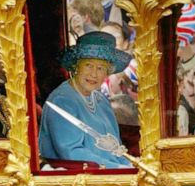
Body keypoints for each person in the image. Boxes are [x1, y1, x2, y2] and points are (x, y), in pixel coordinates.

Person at [39, 31, 132, 169]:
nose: (93, 74)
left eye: (100, 68)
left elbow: (116, 149)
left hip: (110, 176)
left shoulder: (101, 100)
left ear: (107, 73)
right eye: (88, 65)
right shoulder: (62, 100)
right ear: (76, 66)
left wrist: (130, 165)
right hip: (78, 181)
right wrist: (118, 169)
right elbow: (71, 153)